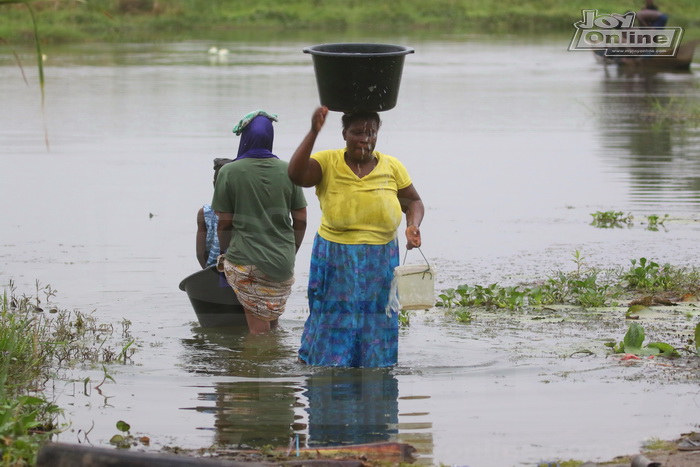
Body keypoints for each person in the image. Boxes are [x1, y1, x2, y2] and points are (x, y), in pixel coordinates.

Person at [288, 106, 424, 367]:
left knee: (377, 317)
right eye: (358, 133)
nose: (365, 139)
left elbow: (414, 202)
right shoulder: (328, 162)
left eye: (371, 133)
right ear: (344, 134)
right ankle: (327, 367)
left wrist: (412, 225)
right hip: (336, 256)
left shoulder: (392, 167)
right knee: (333, 315)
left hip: (381, 258)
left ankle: (374, 368)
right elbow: (296, 174)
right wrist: (313, 132)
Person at [212, 111, 308, 334]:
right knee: (271, 322)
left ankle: (260, 363)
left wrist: (225, 253)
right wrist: (291, 250)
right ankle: (275, 362)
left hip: (246, 262)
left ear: (245, 138)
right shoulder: (289, 170)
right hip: (282, 263)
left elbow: (224, 223)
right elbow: (301, 219)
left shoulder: (229, 172)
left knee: (258, 333)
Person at [196, 157, 232, 269]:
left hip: (213, 270)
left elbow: (200, 254)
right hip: (241, 271)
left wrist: (207, 272)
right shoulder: (243, 211)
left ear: (214, 184)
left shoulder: (205, 213)